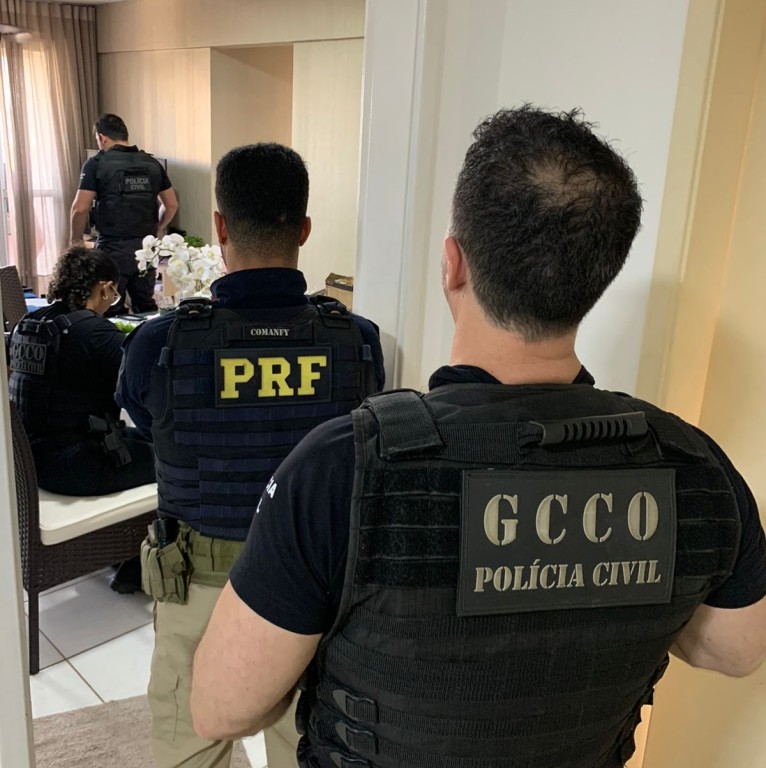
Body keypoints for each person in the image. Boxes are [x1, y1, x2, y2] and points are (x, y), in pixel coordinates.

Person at [191, 107, 766, 768]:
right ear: (597, 277)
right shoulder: (696, 469)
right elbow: (737, 650)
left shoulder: (341, 470)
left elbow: (221, 708)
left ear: (453, 264)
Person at [117, 142, 385, 768]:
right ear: (304, 229)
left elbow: (144, 424)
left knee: (189, 749)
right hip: (316, 590)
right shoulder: (357, 341)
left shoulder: (160, 343)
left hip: (198, 587)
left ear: (219, 227)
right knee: (305, 748)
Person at [8, 246, 155, 496]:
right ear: (105, 288)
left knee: (145, 437)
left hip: (27, 460)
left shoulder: (26, 325)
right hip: (77, 465)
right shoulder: (96, 332)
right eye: (114, 294)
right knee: (178, 456)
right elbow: (145, 384)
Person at [69, 113, 179, 315]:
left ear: (102, 138)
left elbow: (80, 208)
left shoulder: (96, 164)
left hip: (112, 250)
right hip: (146, 250)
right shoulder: (152, 164)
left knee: (110, 308)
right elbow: (171, 205)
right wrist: (157, 228)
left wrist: (75, 241)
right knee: (145, 307)